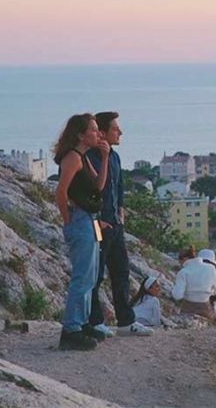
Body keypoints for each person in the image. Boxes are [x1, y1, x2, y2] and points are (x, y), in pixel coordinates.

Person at [86, 111, 153, 337]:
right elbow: (91, 191)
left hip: (115, 223)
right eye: (116, 129)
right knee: (96, 274)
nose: (120, 132)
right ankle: (94, 322)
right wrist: (99, 218)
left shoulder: (114, 157)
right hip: (98, 224)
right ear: (102, 132)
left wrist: (121, 215)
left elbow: (119, 188)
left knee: (121, 272)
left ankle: (125, 321)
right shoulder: (90, 157)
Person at [54, 113, 110, 350]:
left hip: (90, 220)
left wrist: (105, 157)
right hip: (80, 220)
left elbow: (98, 186)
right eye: (94, 130)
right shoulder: (72, 159)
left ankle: (82, 322)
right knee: (82, 275)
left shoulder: (84, 158)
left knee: (91, 274)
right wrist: (68, 219)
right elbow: (60, 192)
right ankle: (71, 329)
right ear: (80, 134)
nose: (98, 133)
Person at [171, 246, 216, 320]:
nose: (179, 263)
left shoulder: (183, 272)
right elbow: (215, 291)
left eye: (179, 261)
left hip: (188, 308)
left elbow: (177, 296)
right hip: (206, 307)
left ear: (184, 259)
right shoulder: (211, 268)